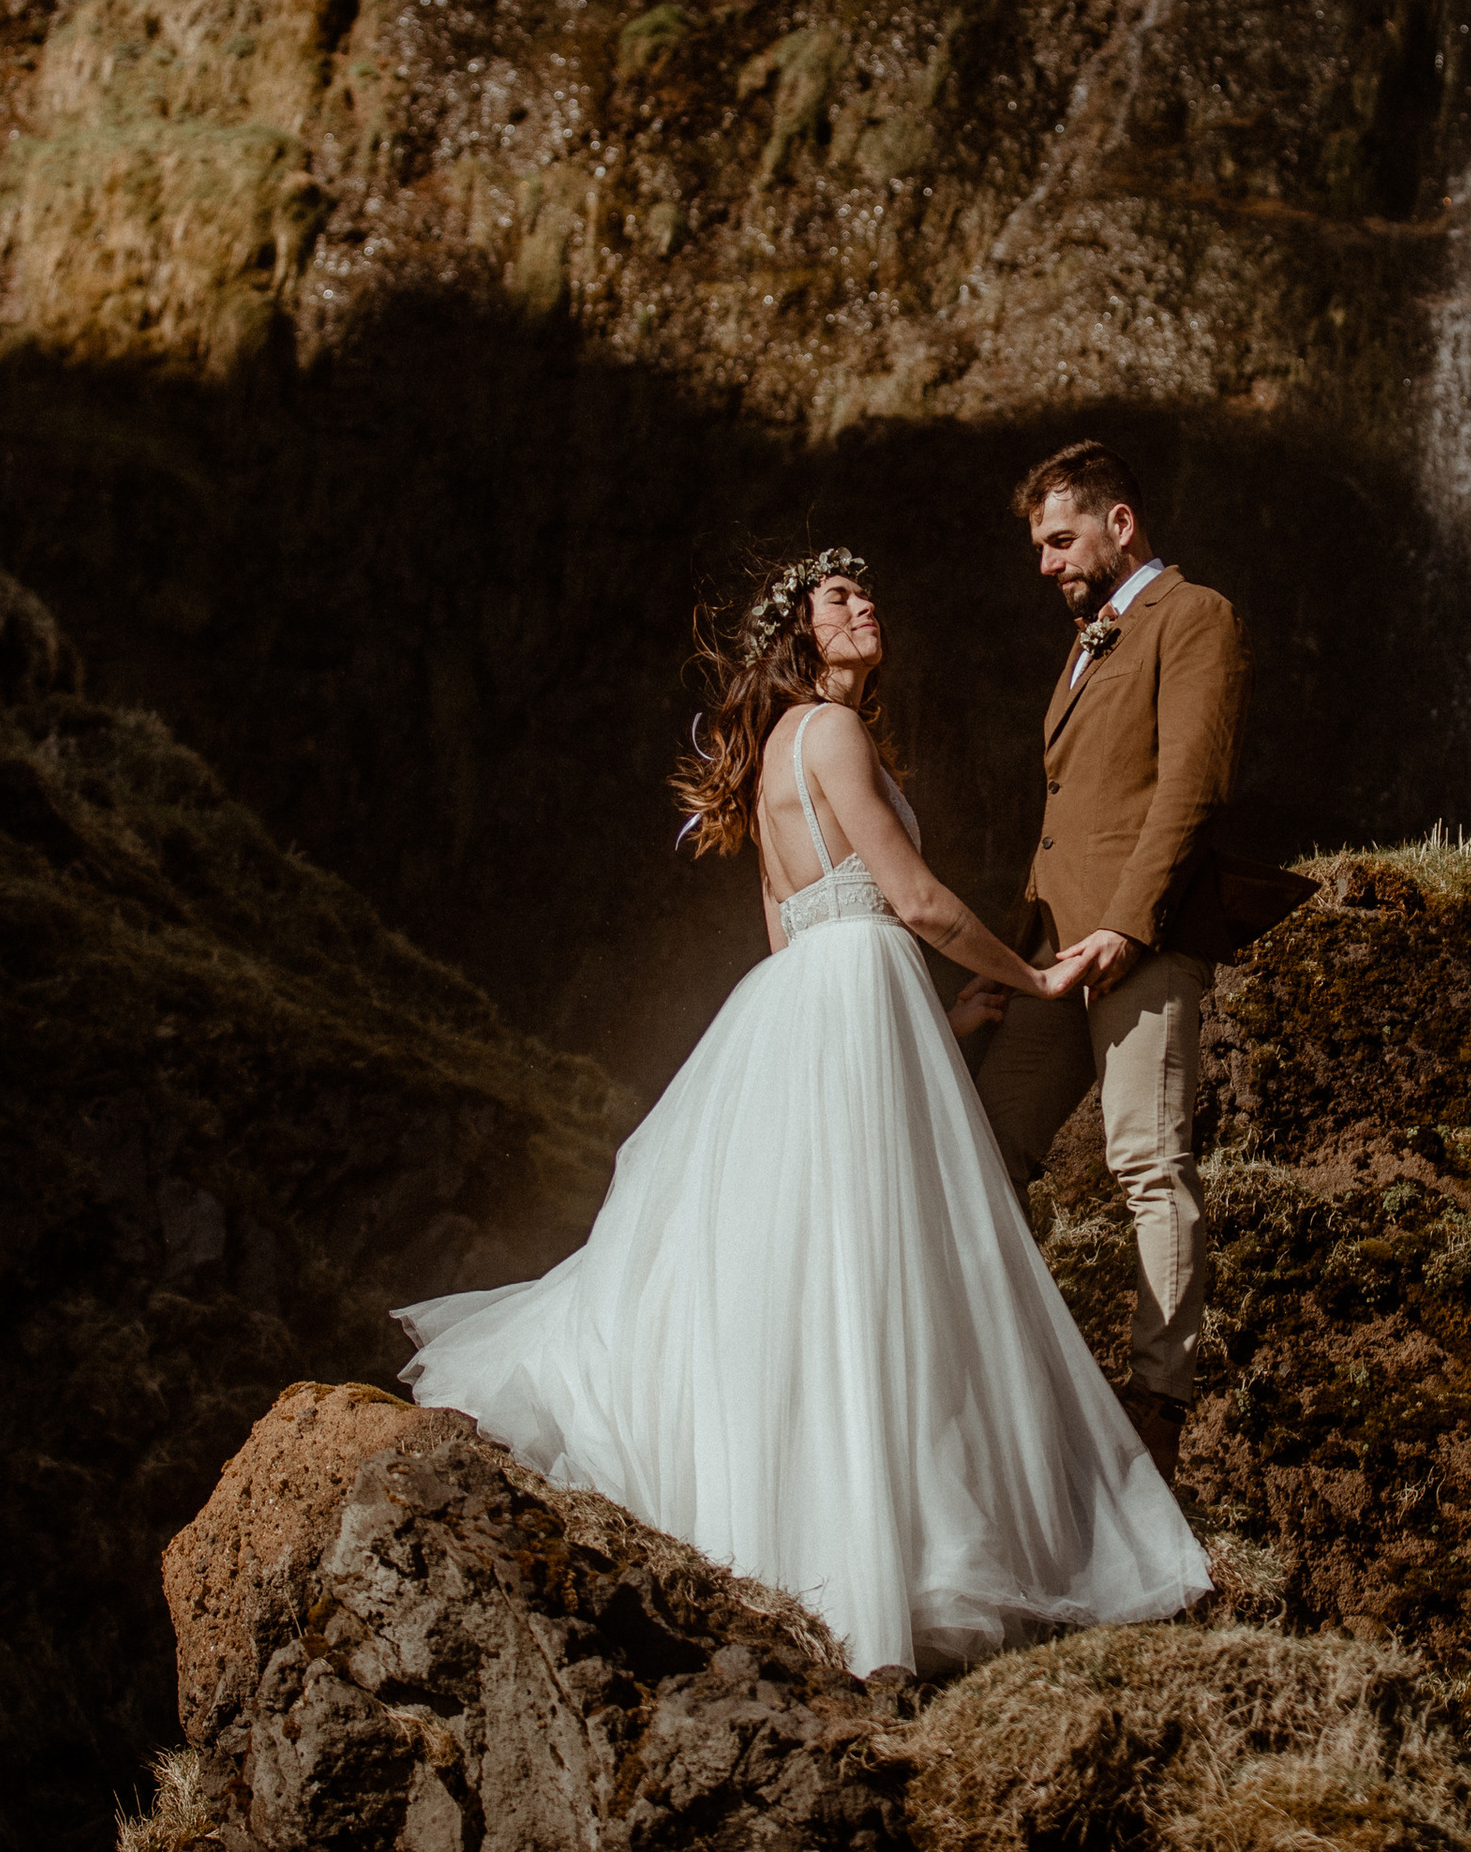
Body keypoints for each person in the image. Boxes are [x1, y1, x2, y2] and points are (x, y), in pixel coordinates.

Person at [394, 545, 1211, 1676]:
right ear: (798, 633)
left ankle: (817, 1542)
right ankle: (902, 1544)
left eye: (869, 589)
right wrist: (1028, 985)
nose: (864, 602)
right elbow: (914, 899)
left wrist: (943, 1020)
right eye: (839, 596)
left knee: (812, 1271)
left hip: (805, 1008)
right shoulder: (831, 733)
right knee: (882, 1271)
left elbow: (793, 931)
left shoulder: (776, 752)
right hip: (854, 1000)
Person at [964, 442, 1252, 1491]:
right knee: (984, 1149)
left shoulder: (1194, 615)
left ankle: (1155, 1405)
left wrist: (1128, 926)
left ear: (1119, 522)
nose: (1044, 563)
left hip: (1138, 944)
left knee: (1146, 1164)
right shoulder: (1091, 639)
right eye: (1038, 544)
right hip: (1050, 951)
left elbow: (1190, 786)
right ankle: (999, 1368)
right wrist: (1016, 948)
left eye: (1059, 538)